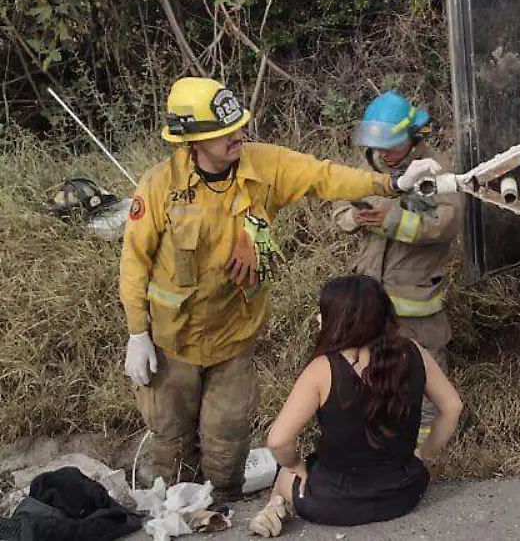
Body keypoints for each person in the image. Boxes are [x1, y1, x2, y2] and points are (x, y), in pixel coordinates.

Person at [120, 78, 443, 503]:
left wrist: (390, 186)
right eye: (225, 133)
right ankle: (171, 514)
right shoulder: (160, 186)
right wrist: (137, 334)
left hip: (233, 338)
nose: (238, 136)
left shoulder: (264, 165)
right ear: (194, 141)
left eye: (238, 127)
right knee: (170, 444)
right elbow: (134, 263)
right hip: (170, 341)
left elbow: (323, 176)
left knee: (226, 449)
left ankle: (220, 515)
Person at [248, 275, 463, 537]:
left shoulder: (323, 370)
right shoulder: (413, 352)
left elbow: (278, 440)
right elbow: (452, 407)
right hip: (405, 493)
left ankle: (273, 511)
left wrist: (296, 466)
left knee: (286, 475)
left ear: (338, 319)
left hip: (333, 502)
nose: (319, 318)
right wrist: (424, 453)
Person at [330, 90, 463, 441]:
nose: (384, 153)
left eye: (391, 144)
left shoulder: (435, 170)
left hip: (415, 297)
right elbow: (338, 207)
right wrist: (354, 217)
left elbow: (445, 224)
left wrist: (392, 218)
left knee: (424, 373)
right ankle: (379, 441)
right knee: (369, 370)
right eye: (377, 145)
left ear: (413, 136)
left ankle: (429, 451)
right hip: (369, 294)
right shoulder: (370, 166)